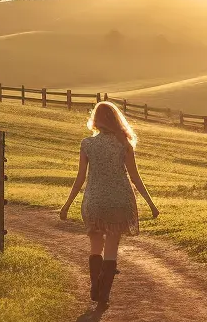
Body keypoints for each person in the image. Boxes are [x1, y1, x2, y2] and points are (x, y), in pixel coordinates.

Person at [59, 101, 159, 306]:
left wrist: (67, 204)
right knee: (112, 247)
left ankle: (96, 284)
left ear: (95, 120)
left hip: (94, 200)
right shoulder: (124, 144)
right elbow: (135, 177)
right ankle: (103, 295)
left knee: (96, 245)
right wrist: (151, 204)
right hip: (119, 200)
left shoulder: (87, 144)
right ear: (115, 119)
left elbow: (80, 178)